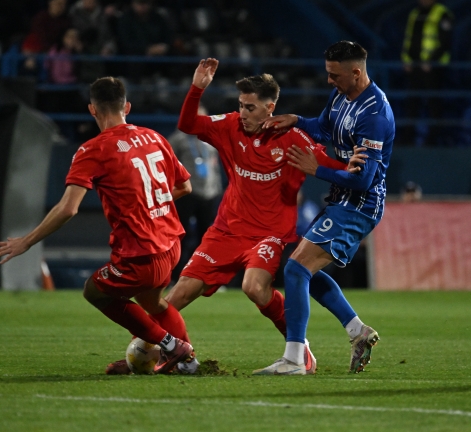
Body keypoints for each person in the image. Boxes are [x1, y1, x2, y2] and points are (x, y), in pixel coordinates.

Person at [105, 58, 366, 375]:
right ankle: (143, 354)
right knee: (178, 294)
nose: (243, 113)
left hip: (269, 234)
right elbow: (188, 124)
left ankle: (300, 352)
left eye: (250, 108)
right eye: (241, 105)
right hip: (226, 231)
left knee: (254, 287)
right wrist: (197, 89)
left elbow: (335, 168)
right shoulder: (229, 126)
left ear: (270, 108)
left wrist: (353, 166)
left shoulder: (293, 138)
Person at [0, 77, 195, 374]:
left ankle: (171, 345)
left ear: (92, 110)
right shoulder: (155, 137)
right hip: (170, 244)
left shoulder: (93, 150)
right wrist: (148, 205)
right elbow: (185, 186)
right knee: (153, 303)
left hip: (141, 251)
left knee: (95, 291)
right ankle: (188, 363)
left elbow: (68, 208)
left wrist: (27, 241)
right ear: (127, 107)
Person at [253, 40, 395, 375]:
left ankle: (294, 359)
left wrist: (316, 169)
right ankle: (358, 331)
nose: (329, 80)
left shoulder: (375, 115)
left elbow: (364, 180)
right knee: (306, 270)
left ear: (356, 72)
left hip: (360, 204)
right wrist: (296, 120)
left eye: (335, 75)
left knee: (296, 269)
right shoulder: (341, 96)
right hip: (341, 199)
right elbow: (324, 127)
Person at [168, 105, 223, 284]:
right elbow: (167, 167)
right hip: (187, 194)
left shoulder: (211, 140)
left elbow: (215, 168)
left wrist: (218, 190)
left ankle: (201, 277)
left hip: (210, 194)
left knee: (207, 239)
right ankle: (174, 276)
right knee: (180, 237)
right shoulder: (177, 139)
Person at [400, 0, 453, 146]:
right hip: (415, 67)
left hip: (433, 69)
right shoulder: (415, 14)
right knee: (412, 104)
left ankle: (433, 140)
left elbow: (445, 42)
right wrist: (406, 60)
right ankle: (408, 139)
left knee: (434, 104)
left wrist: (431, 61)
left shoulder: (442, 13)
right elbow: (409, 39)